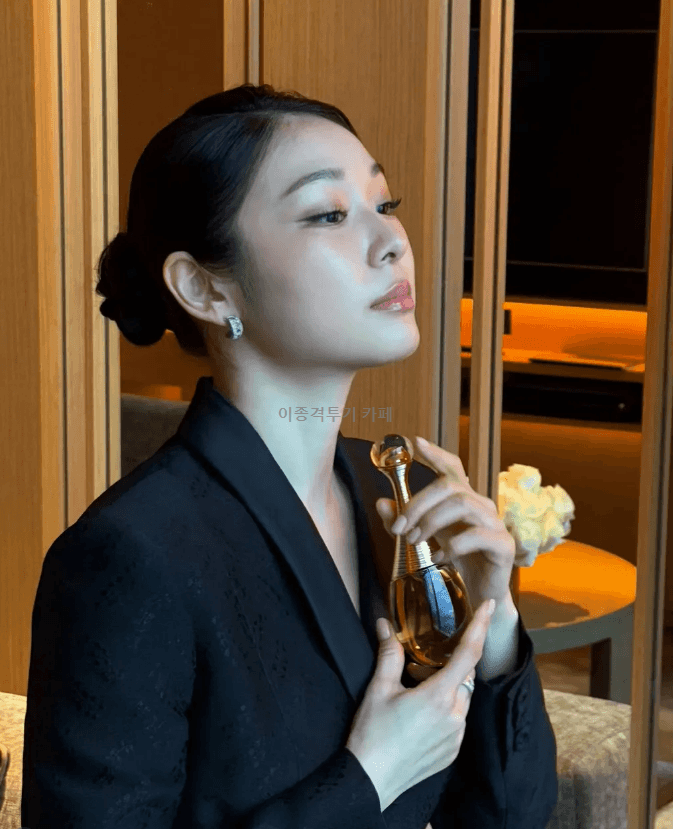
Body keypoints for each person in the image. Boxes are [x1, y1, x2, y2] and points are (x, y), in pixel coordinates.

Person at [21, 83, 558, 828]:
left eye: (384, 203)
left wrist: (492, 626)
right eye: (328, 214)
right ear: (205, 288)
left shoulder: (402, 492)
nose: (391, 241)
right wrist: (368, 777)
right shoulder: (130, 556)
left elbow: (511, 816)